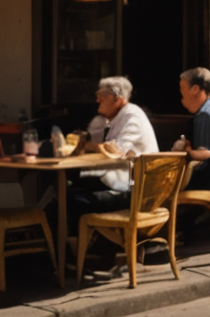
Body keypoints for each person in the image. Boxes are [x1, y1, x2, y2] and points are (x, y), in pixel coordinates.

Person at [67, 76, 161, 222]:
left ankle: (76, 242)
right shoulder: (115, 118)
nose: (98, 101)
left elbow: (118, 151)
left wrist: (89, 145)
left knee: (71, 200)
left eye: (102, 96)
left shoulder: (132, 116)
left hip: (133, 192)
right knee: (67, 189)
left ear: (118, 99)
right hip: (120, 183)